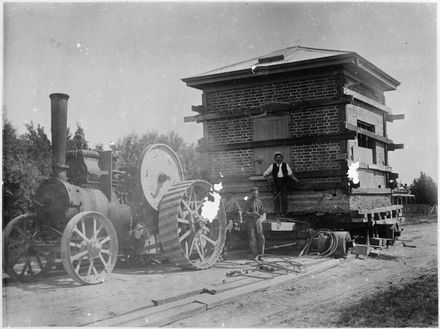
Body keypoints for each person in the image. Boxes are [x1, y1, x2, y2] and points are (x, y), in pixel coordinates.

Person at [263, 151, 300, 217]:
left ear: (282, 158)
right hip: (275, 184)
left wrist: (297, 180)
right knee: (276, 199)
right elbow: (265, 174)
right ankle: (277, 213)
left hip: (284, 184)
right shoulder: (272, 166)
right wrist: (269, 181)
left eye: (280, 157)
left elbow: (290, 174)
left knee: (284, 199)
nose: (278, 159)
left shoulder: (286, 165)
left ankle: (284, 213)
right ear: (275, 159)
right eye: (277, 158)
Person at [244, 187, 266, 258]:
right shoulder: (248, 202)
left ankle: (261, 255)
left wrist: (261, 216)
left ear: (258, 193)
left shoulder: (260, 202)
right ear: (251, 194)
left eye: (256, 193)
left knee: (261, 238)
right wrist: (252, 213)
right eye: (253, 193)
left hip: (258, 221)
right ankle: (255, 255)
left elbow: (263, 212)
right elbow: (245, 213)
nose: (255, 195)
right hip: (250, 221)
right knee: (252, 238)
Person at [220, 193, 243, 259]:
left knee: (227, 234)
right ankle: (222, 251)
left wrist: (240, 220)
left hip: (229, 218)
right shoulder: (222, 201)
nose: (227, 196)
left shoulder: (234, 201)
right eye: (226, 195)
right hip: (222, 218)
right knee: (222, 234)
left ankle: (225, 251)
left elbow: (239, 211)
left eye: (229, 195)